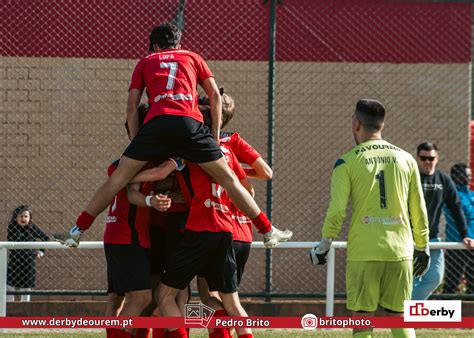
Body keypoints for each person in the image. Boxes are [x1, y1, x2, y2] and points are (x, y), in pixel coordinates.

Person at [63, 23, 288, 249]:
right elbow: (214, 97)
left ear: (154, 46)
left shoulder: (145, 61)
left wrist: (136, 140)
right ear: (179, 44)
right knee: (228, 179)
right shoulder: (192, 57)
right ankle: (268, 230)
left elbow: (132, 107)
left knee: (117, 179)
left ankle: (77, 230)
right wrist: (214, 137)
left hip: (157, 123)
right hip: (189, 124)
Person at [311, 99, 430, 338]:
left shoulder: (346, 161)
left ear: (356, 122)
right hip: (400, 252)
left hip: (364, 253)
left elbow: (337, 211)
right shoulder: (407, 159)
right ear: (382, 125)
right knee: (399, 317)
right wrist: (422, 246)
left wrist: (324, 244)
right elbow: (418, 208)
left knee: (362, 318)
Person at [412, 143, 473, 300]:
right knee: (412, 279)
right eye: (423, 158)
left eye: (431, 158)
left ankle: (405, 310)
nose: (427, 162)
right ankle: (407, 319)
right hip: (409, 239)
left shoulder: (443, 180)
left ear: (437, 158)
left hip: (432, 237)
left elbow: (456, 207)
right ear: (418, 158)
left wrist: (464, 234)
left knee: (435, 278)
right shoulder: (410, 177)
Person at [6, 205, 50, 302]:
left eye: (26, 216)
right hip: (15, 261)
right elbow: (12, 239)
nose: (23, 219)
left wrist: (41, 251)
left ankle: (24, 308)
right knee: (9, 286)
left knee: (26, 287)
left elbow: (46, 238)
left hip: (28, 262)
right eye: (21, 216)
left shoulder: (32, 227)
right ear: (15, 217)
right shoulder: (12, 227)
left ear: (30, 218)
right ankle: (9, 307)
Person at [442, 163, 474, 294]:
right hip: (458, 243)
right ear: (454, 177)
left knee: (472, 284)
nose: (468, 178)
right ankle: (443, 311)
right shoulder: (451, 195)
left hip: (473, 245)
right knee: (451, 283)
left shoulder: (471, 194)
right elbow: (462, 214)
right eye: (464, 176)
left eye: (469, 175)